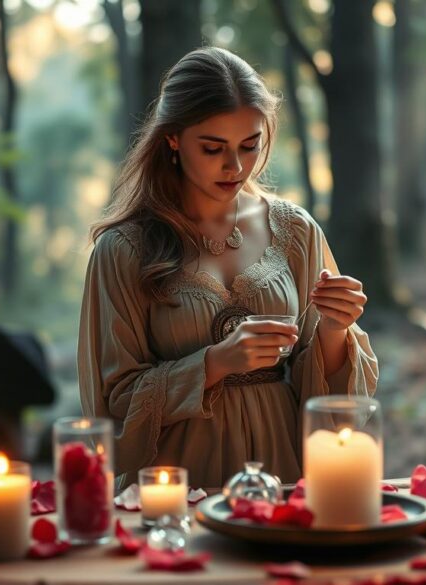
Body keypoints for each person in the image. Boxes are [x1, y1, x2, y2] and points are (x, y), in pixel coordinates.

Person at [78, 47, 378, 489]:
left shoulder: (295, 231)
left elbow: (327, 397)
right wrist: (215, 363)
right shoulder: (124, 249)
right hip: (176, 483)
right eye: (213, 148)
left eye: (250, 145)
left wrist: (335, 329)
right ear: (173, 138)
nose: (235, 166)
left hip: (282, 470)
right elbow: (111, 405)